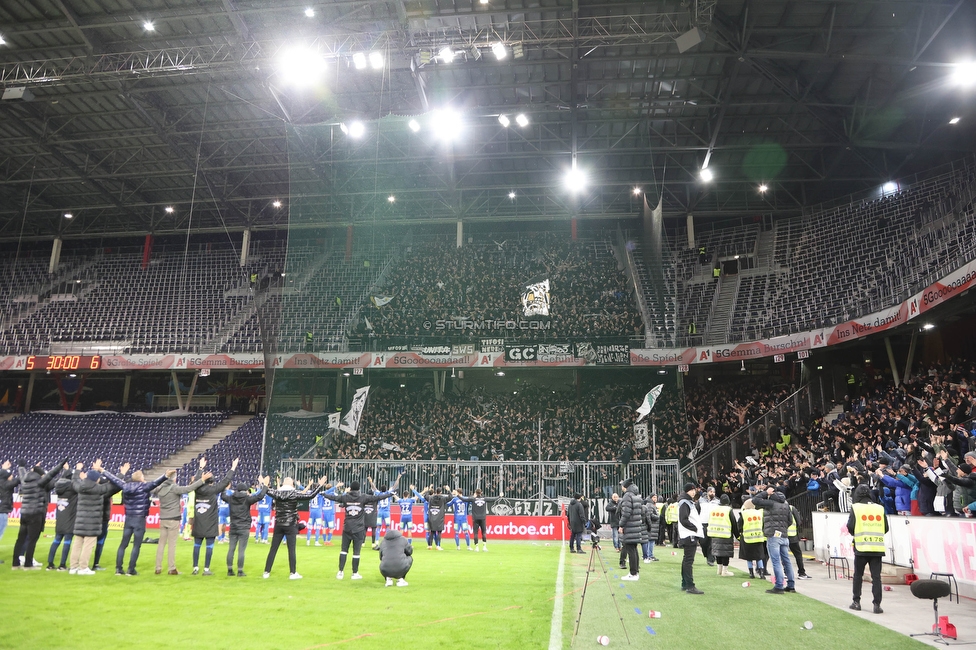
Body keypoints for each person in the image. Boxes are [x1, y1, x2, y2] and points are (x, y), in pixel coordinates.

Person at [323, 475, 400, 580]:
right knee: (356, 552)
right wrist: (389, 494)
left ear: (350, 488)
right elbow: (377, 497)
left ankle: (340, 572)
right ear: (359, 488)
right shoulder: (363, 497)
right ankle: (354, 573)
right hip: (359, 529)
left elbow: (334, 498)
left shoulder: (345, 497)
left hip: (347, 527)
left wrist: (324, 494)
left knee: (344, 550)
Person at [103, 462, 167, 576]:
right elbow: (156, 482)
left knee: (123, 544)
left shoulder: (125, 486)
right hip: (139, 519)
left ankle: (118, 569)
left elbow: (114, 479)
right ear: (141, 478)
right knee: (136, 545)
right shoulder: (144, 487)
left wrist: (102, 470)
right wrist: (165, 476)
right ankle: (131, 569)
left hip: (128, 518)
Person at [262, 475, 327, 579]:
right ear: (292, 484)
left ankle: (266, 572)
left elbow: (265, 491)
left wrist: (263, 484)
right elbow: (310, 496)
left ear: (283, 484)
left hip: (279, 523)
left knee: (273, 549)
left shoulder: (277, 493)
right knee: (291, 549)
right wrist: (319, 485)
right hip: (291, 524)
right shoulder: (294, 493)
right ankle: (293, 573)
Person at [13, 457, 66, 569]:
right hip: (35, 513)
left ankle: (15, 563)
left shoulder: (24, 481)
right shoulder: (40, 483)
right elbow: (51, 474)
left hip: (24, 513)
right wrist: (61, 465)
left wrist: (21, 466)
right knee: (32, 539)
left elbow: (22, 472)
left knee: (20, 539)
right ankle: (28, 564)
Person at [153, 468, 209, 575]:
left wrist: (163, 476)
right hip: (173, 518)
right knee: (172, 544)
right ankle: (171, 568)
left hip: (163, 518)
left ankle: (158, 567)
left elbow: (151, 486)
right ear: (174, 479)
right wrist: (201, 480)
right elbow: (189, 488)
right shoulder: (174, 488)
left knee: (161, 544)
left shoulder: (159, 488)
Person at [191, 457, 238, 575]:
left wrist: (200, 468)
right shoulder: (214, 490)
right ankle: (206, 569)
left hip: (198, 522)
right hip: (210, 523)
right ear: (212, 482)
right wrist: (233, 467)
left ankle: (195, 568)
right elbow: (226, 481)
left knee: (197, 545)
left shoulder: (197, 489)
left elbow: (197, 480)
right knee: (209, 546)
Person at [70, 460, 117, 575]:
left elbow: (74, 480)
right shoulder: (98, 489)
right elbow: (113, 484)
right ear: (96, 479)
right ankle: (83, 568)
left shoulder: (80, 487)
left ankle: (73, 567)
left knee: (77, 544)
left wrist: (77, 470)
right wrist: (105, 471)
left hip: (80, 521)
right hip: (92, 522)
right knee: (88, 545)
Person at [848, 484, 889, 614]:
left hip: (861, 547)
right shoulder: (879, 508)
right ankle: (877, 605)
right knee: (876, 577)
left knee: (858, 576)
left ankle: (856, 602)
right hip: (877, 548)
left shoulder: (856, 507)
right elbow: (886, 528)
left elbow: (850, 526)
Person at [752, 485, 796, 595]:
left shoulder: (771, 503)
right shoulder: (786, 505)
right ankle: (791, 585)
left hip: (773, 536)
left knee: (776, 561)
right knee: (787, 561)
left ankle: (779, 586)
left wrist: (765, 493)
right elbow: (790, 521)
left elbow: (754, 500)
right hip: (784, 536)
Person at [224, 477, 268, 576]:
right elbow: (259, 496)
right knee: (241, 550)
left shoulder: (231, 498)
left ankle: (230, 570)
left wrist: (225, 487)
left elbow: (223, 496)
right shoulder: (247, 499)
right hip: (244, 527)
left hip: (233, 526)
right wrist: (265, 486)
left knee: (231, 548)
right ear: (245, 490)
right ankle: (240, 570)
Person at [47, 467, 78, 571]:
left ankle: (50, 564)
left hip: (60, 518)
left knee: (56, 541)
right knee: (67, 542)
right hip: (70, 519)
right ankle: (62, 565)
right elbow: (78, 484)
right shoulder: (72, 487)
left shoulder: (58, 485)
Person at [676, 482, 704, 594]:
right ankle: (690, 585)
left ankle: (685, 583)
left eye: (694, 490)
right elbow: (684, 519)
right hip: (689, 534)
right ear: (687, 491)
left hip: (688, 534)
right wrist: (695, 528)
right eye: (691, 490)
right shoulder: (685, 503)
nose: (694, 492)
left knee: (686, 560)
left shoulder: (686, 501)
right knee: (688, 561)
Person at [617, 478, 643, 581]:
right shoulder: (636, 495)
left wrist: (621, 525)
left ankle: (633, 573)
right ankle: (635, 572)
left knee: (630, 550)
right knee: (634, 549)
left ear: (625, 486)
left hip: (630, 526)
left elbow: (626, 513)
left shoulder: (627, 496)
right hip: (636, 526)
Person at [707, 494, 738, 576]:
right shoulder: (728, 510)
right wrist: (737, 535)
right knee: (725, 553)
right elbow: (734, 524)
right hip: (725, 534)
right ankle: (725, 571)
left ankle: (719, 570)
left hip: (714, 534)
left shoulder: (714, 510)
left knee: (718, 553)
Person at [738, 499, 767, 579]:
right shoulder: (759, 513)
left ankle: (751, 573)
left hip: (747, 538)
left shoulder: (743, 514)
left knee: (749, 557)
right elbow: (763, 525)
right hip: (758, 538)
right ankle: (761, 573)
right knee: (759, 556)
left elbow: (739, 526)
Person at [0, 460, 20, 564]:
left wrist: (4, 469)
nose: (12, 476)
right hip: (2, 511)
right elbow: (19, 480)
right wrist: (24, 469)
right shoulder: (6, 484)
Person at [417, 485, 448, 550]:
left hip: (428, 517)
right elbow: (450, 498)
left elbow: (422, 496)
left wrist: (427, 490)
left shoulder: (428, 499)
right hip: (436, 517)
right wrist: (449, 490)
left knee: (430, 532)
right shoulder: (439, 499)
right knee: (438, 532)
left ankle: (429, 545)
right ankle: (438, 545)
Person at [787, 502, 812, 580]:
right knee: (798, 554)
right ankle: (801, 573)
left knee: (783, 555)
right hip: (792, 535)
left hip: (781, 535)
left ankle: (786, 573)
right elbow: (798, 521)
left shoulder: (774, 508)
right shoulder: (791, 508)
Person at [698, 486, 719, 566]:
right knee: (703, 542)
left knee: (711, 542)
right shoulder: (701, 501)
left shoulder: (717, 502)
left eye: (713, 492)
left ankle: (711, 559)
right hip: (703, 523)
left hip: (713, 523)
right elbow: (697, 510)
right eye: (711, 492)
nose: (712, 493)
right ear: (707, 492)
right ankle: (707, 555)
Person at [642, 495, 660, 562]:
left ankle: (648, 554)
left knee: (650, 540)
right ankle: (650, 555)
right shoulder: (650, 505)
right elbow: (650, 515)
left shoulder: (651, 504)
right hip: (652, 525)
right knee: (651, 540)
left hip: (653, 525)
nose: (655, 498)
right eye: (654, 497)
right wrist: (658, 516)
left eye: (656, 497)